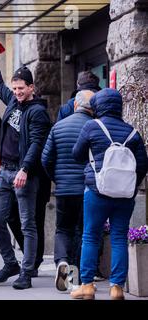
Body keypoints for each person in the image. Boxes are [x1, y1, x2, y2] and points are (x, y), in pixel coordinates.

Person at [71, 88, 148, 300]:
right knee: (119, 238)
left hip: (96, 192)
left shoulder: (91, 127)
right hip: (124, 196)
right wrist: (129, 187)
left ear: (99, 106)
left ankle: (86, 285)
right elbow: (142, 164)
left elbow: (77, 154)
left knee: (90, 236)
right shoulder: (132, 132)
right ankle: (117, 288)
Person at [0, 61, 51, 290]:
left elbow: (37, 144)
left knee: (28, 225)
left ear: (32, 88)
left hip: (24, 173)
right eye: (14, 88)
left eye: (21, 88)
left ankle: (26, 272)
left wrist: (25, 169)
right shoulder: (12, 102)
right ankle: (10, 263)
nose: (17, 92)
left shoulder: (38, 112)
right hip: (4, 171)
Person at [42, 90, 95, 292]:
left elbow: (46, 159)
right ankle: (76, 280)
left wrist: (58, 178)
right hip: (87, 189)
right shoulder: (93, 127)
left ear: (75, 106)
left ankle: (62, 262)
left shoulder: (58, 127)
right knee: (82, 232)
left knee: (63, 230)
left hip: (64, 190)